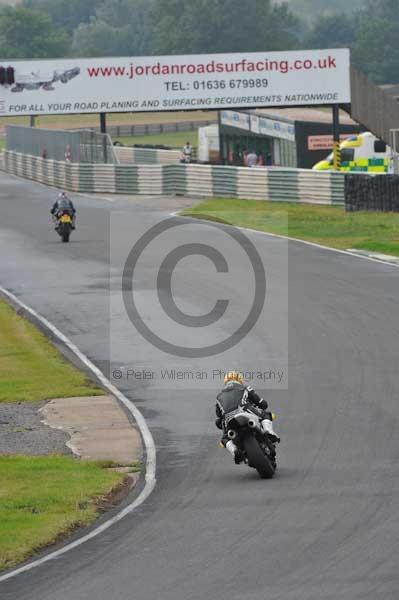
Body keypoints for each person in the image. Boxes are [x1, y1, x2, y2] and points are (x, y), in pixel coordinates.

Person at [215, 371, 280, 464]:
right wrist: (262, 404)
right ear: (240, 380)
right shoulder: (245, 388)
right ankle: (269, 432)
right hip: (245, 411)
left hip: (229, 420)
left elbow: (219, 419)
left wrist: (220, 424)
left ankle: (234, 451)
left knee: (225, 438)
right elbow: (261, 403)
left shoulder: (219, 397)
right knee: (266, 415)